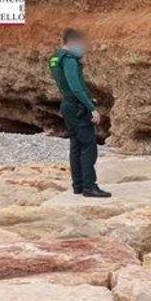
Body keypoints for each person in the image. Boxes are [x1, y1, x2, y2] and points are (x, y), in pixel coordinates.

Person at [48, 28, 110, 198]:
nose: (83, 47)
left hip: (67, 105)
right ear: (73, 42)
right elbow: (76, 87)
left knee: (76, 146)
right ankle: (89, 186)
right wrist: (92, 108)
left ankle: (79, 186)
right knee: (89, 146)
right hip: (76, 107)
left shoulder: (56, 58)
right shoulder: (69, 61)